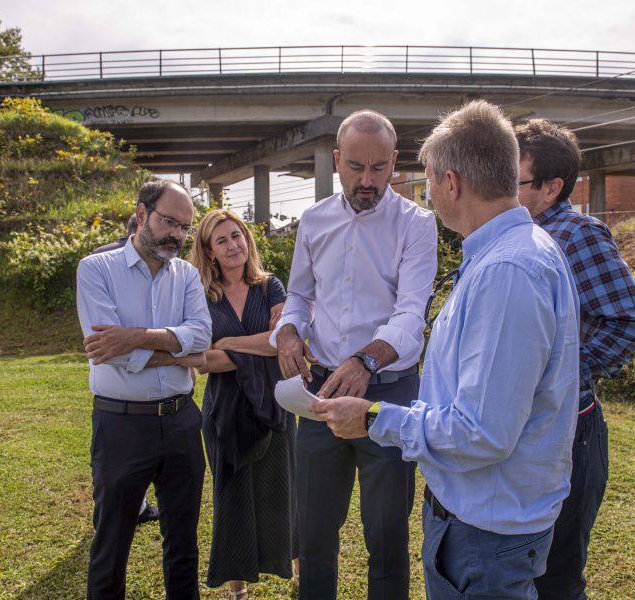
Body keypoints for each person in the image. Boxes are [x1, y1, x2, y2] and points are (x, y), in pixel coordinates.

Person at [314, 100, 580, 599]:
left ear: (452, 183)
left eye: (430, 182)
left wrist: (372, 418)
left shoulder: (507, 272)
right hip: (487, 518)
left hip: (485, 529)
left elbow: (482, 433)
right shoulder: (514, 254)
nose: (429, 194)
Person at [271, 109, 438, 600]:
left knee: (386, 536)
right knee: (314, 532)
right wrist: (287, 332)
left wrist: (364, 361)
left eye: (380, 168)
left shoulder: (417, 224)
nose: (368, 181)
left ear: (395, 163)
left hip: (388, 393)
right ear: (338, 161)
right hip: (320, 393)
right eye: (357, 167)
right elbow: (300, 296)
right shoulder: (314, 219)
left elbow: (411, 313)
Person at [514, 119, 635, 600]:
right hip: (530, 427)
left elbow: (632, 324)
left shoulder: (578, 235)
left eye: (512, 180)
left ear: (551, 187)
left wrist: (558, 374)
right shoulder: (517, 235)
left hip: (573, 430)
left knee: (557, 575)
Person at [76, 180, 211, 600]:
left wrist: (133, 337)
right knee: (111, 543)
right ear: (141, 214)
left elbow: (203, 337)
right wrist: (178, 350)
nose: (177, 234)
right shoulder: (96, 269)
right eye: (169, 222)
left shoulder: (187, 275)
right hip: (121, 424)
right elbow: (107, 352)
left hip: (181, 422)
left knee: (183, 541)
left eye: (185, 227)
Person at [189, 209, 299, 600]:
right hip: (225, 411)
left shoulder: (271, 287)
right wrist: (260, 345)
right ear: (210, 251)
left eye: (237, 236)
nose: (233, 245)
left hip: (275, 405)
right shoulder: (200, 296)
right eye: (222, 240)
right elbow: (202, 361)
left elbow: (281, 343)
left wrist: (230, 343)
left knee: (285, 491)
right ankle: (238, 590)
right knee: (232, 499)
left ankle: (298, 574)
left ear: (247, 240)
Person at [90, 213, 160, 526]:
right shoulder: (103, 263)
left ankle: (117, 505)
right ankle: (131, 506)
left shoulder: (98, 255)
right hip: (125, 373)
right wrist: (174, 351)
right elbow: (108, 341)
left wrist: (131, 341)